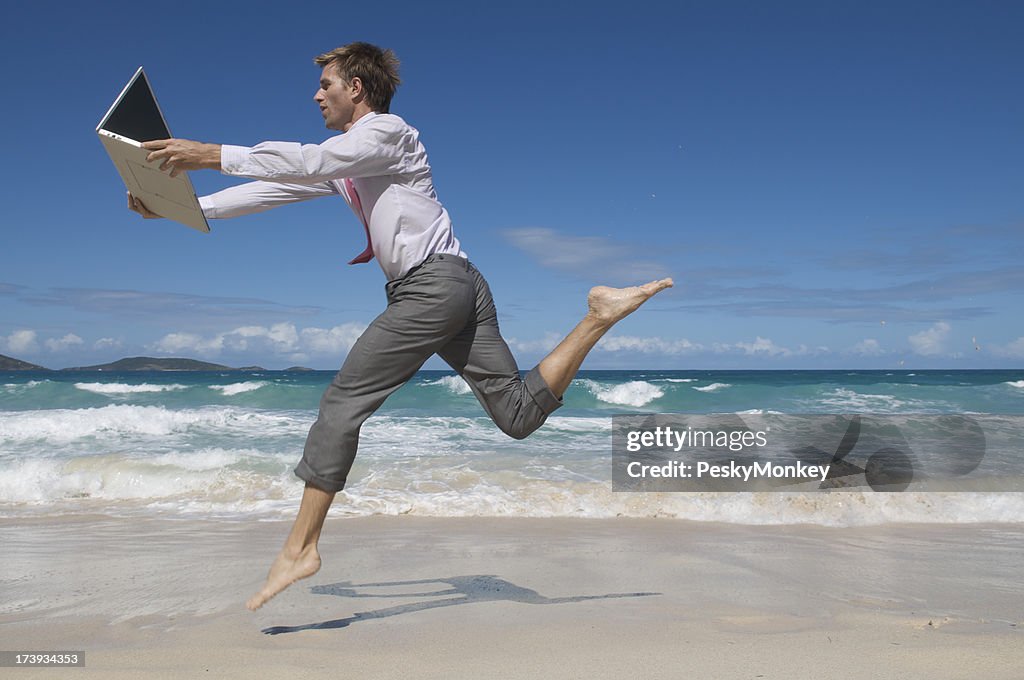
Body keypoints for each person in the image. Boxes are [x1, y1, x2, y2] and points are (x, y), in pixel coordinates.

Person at [130, 42, 673, 611]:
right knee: (516, 415)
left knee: (343, 403)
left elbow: (310, 161)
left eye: (327, 85)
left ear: (356, 89)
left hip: (431, 287)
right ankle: (596, 318)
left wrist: (208, 152)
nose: (317, 95)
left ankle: (300, 548)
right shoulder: (352, 159)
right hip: (459, 284)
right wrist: (180, 208)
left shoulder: (387, 132)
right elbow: (282, 186)